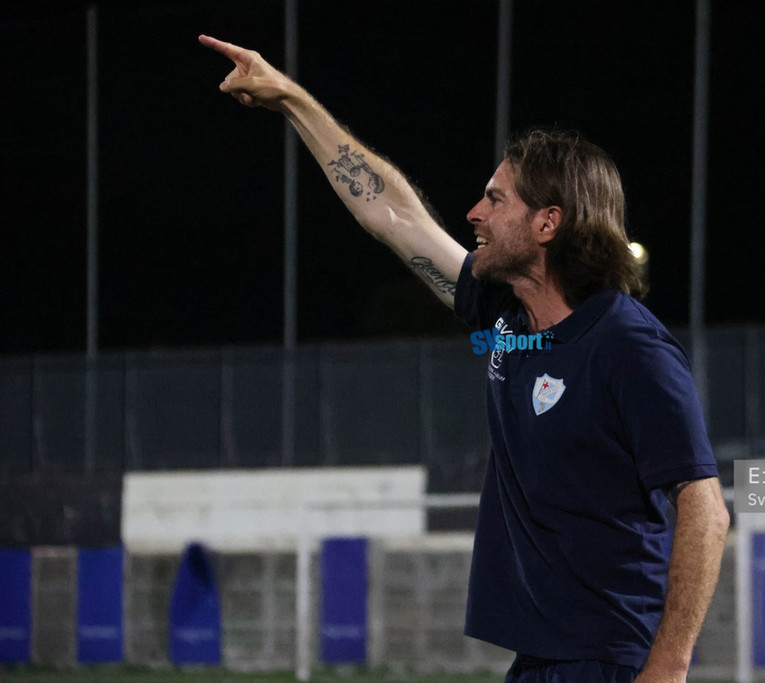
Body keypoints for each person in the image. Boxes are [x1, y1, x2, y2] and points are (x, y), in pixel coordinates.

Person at [199, 34, 729, 683]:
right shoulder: (506, 314)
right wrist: (291, 100)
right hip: (539, 658)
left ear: (548, 223)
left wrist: (669, 666)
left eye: (496, 199)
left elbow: (705, 506)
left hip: (611, 660)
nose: (474, 212)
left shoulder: (629, 346)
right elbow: (395, 216)